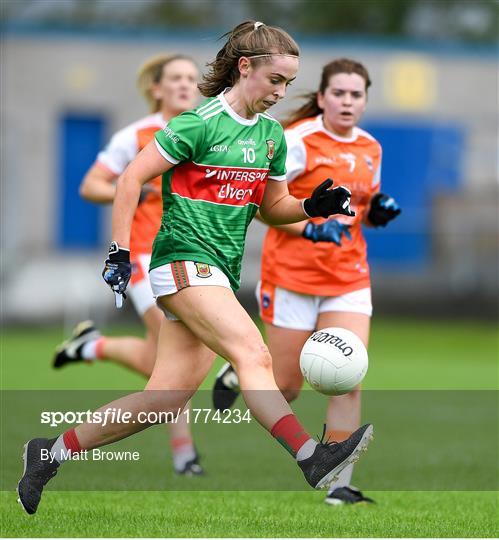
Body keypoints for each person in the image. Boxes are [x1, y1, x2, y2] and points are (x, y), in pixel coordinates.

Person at [17, 22, 373, 516]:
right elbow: (130, 179)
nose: (282, 93)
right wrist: (118, 253)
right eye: (275, 80)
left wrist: (313, 205)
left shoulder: (271, 135)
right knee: (254, 353)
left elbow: (272, 208)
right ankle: (312, 457)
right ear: (244, 67)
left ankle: (49, 452)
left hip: (217, 273)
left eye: (289, 84)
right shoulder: (197, 122)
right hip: (182, 262)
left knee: (165, 398)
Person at [212, 58, 401, 505]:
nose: (347, 101)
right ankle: (240, 372)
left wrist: (377, 213)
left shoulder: (371, 147)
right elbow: (266, 208)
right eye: (339, 93)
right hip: (291, 277)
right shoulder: (297, 141)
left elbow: (359, 213)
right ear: (322, 97)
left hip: (347, 278)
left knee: (347, 378)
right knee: (288, 386)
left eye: (356, 94)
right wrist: (312, 226)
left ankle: (341, 484)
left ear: (365, 101)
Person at [52, 53, 204, 476]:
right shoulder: (134, 135)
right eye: (175, 78)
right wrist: (138, 189)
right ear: (156, 88)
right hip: (142, 256)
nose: (184, 85)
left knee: (164, 359)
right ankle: (184, 454)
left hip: (188, 257)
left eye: (191, 78)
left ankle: (90, 346)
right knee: (178, 354)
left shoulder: (203, 131)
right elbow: (90, 185)